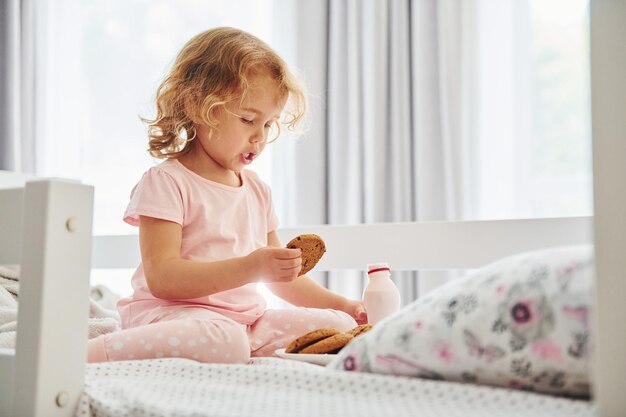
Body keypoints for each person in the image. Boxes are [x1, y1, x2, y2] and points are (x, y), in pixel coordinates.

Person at [87, 27, 366, 364]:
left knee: (338, 325)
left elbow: (283, 281)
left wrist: (344, 305)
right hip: (171, 316)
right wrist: (250, 267)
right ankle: (87, 355)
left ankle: (257, 339)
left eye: (268, 125)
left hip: (247, 323)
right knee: (225, 340)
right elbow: (162, 278)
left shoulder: (258, 191)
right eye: (249, 119)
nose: (259, 138)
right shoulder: (167, 182)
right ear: (199, 105)